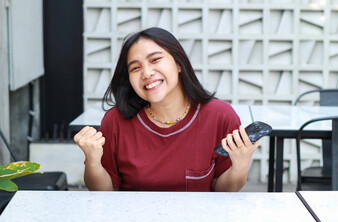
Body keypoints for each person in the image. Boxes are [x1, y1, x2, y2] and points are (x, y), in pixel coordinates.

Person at [74, 27, 260, 192]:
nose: (146, 73)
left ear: (179, 63)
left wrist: (241, 164)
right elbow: (104, 191)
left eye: (155, 59)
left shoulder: (220, 116)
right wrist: (92, 160)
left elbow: (223, 192)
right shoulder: (115, 121)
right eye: (135, 68)